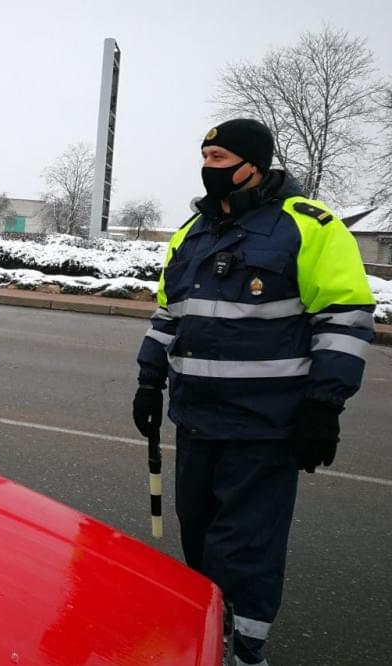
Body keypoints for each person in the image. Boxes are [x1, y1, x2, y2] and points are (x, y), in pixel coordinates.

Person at [132, 119, 375, 666]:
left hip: (265, 427)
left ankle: (244, 651)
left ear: (254, 165)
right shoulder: (192, 233)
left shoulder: (308, 226)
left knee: (245, 549)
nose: (208, 167)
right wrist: (150, 381)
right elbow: (170, 313)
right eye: (205, 156)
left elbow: (345, 317)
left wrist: (324, 405)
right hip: (196, 421)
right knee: (199, 542)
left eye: (219, 157)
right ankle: (207, 638)